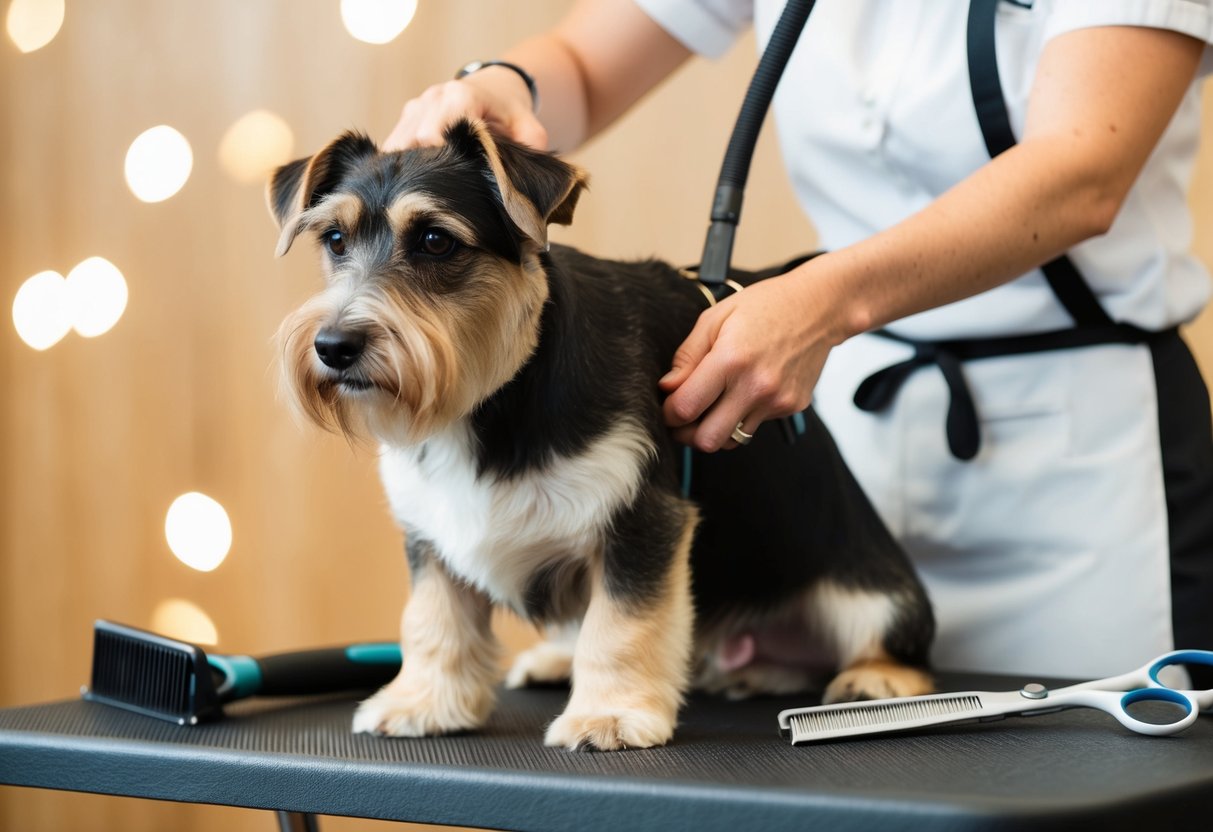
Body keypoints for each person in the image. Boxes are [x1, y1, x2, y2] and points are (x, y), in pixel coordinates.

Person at [384, 0, 1213, 682]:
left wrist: (823, 300)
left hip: (1078, 470)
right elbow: (583, 64)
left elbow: (1081, 173)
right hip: (836, 429)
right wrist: (500, 85)